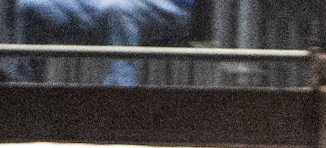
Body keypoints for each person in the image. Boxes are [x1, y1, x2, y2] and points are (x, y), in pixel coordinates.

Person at [12, 0, 196, 86]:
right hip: (103, 4)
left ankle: (120, 98)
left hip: (169, 7)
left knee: (119, 9)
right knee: (31, 7)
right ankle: (22, 89)